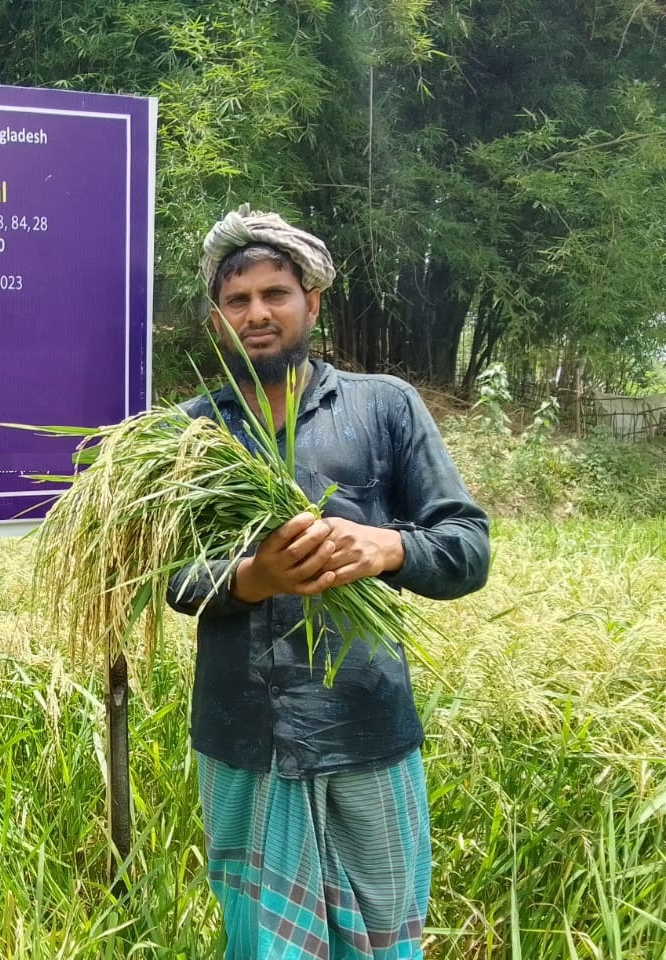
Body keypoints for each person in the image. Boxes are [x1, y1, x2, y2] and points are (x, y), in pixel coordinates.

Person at [167, 205, 490, 959]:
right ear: (217, 319)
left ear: (312, 301)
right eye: (237, 301)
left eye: (275, 294)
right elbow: (172, 578)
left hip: (365, 728)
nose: (257, 314)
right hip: (243, 735)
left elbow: (466, 547)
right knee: (261, 940)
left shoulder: (384, 406)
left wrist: (386, 548)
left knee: (381, 933)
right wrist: (254, 576)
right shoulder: (188, 435)